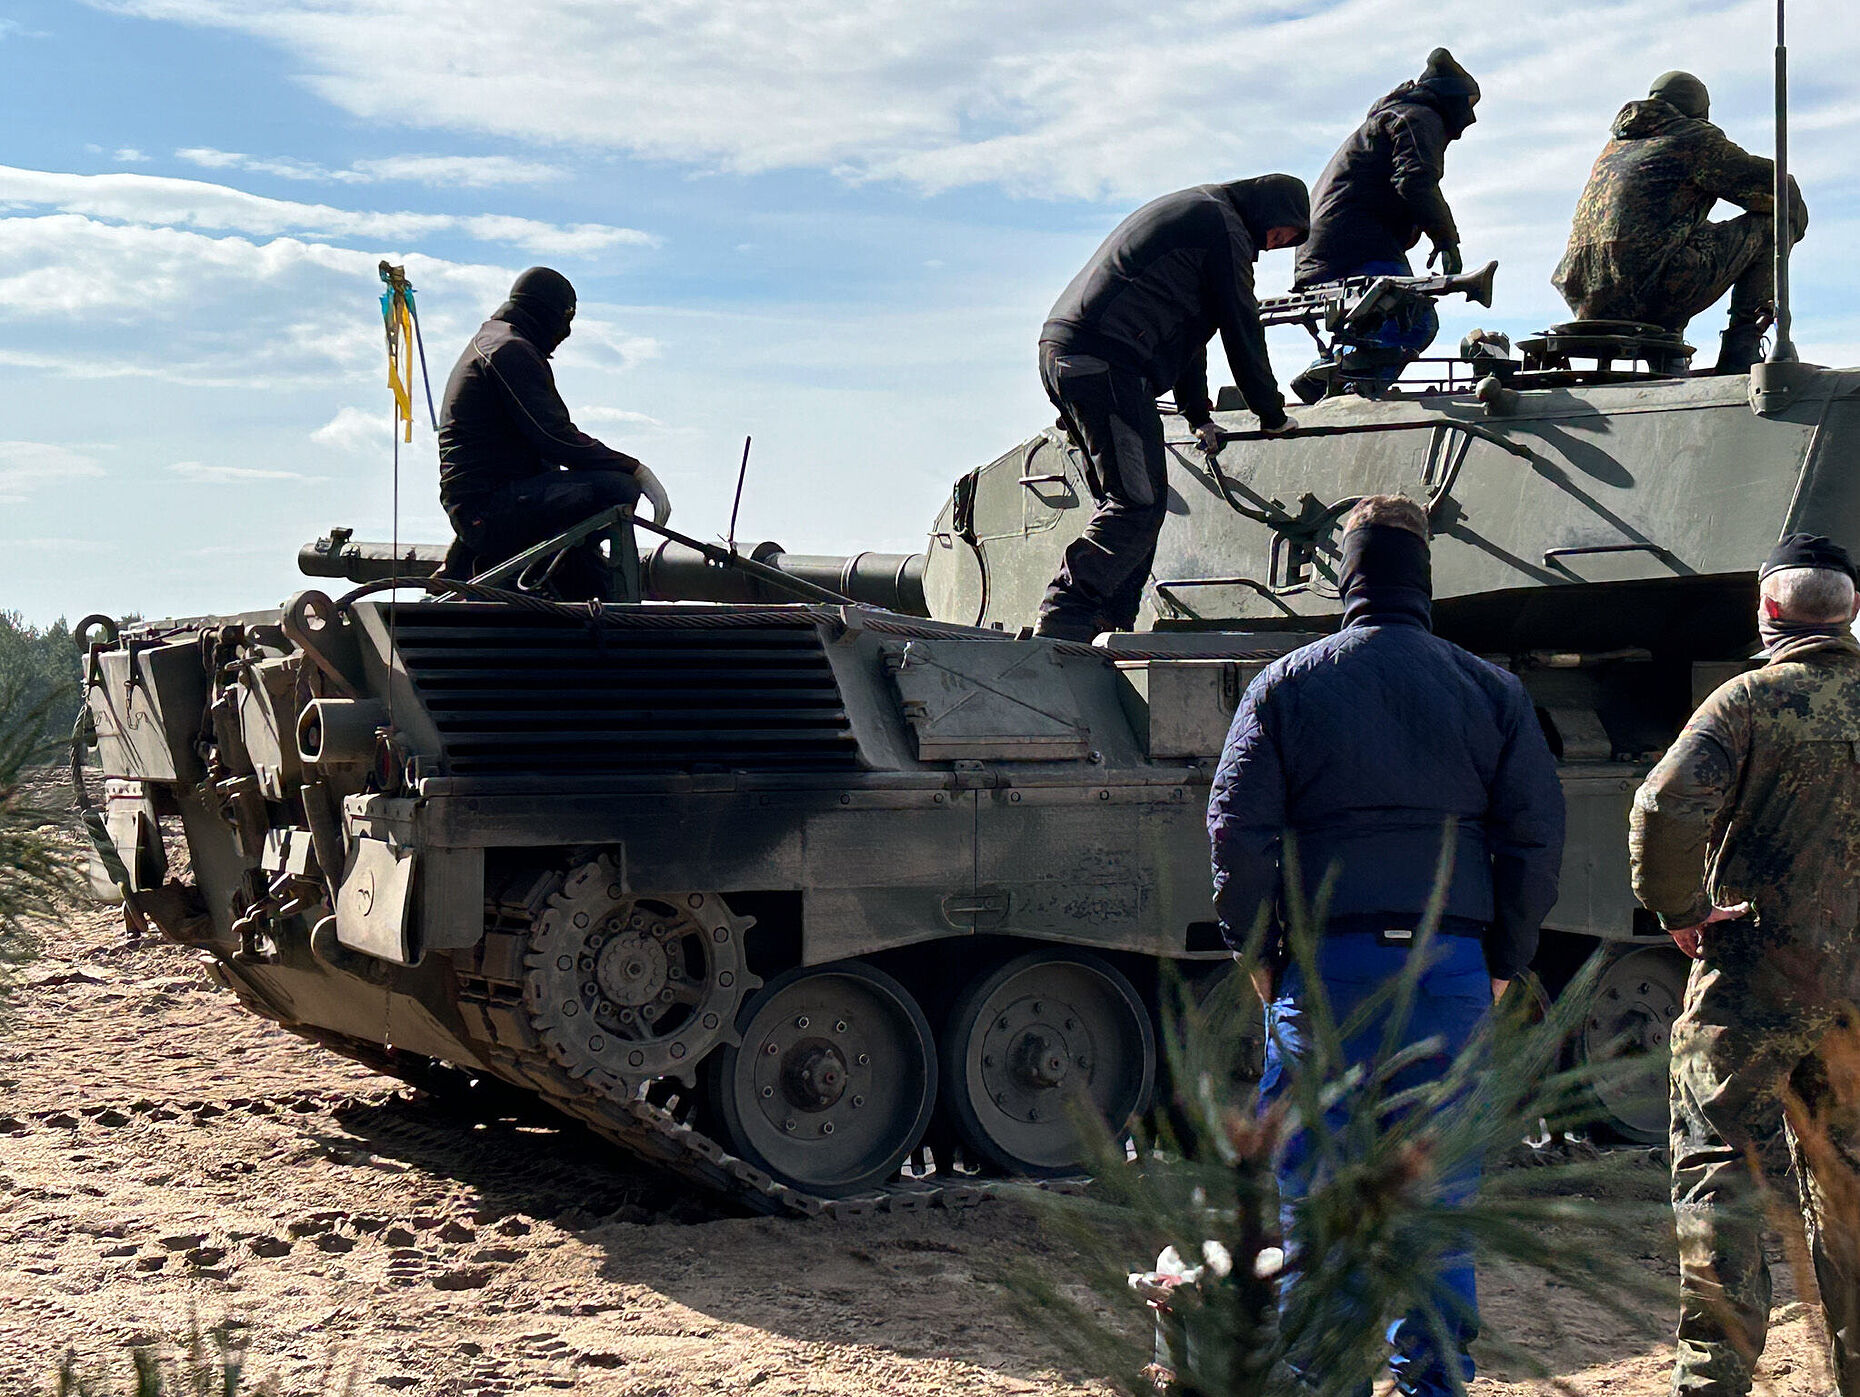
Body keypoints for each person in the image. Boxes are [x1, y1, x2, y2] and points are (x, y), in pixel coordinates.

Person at [1208, 494, 1565, 1396]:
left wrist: (1256, 951)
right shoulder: (1492, 690)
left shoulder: (1286, 683)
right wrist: (1503, 964)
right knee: (1435, 1197)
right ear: (1426, 576)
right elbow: (1535, 838)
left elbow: (1235, 833)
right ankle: (1433, 1383)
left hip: (1326, 971)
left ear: (1346, 572)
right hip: (1449, 968)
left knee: (1317, 1193)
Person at [1628, 532, 1860, 1397]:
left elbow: (1664, 803)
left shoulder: (1746, 701)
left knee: (1719, 1166)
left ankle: (1714, 1380)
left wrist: (1682, 911)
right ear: (1853, 612)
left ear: (1767, 610)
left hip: (1751, 984)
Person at [1033, 174, 1310, 641]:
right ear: (1269, 209)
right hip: (1107, 361)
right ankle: (1064, 615)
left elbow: (1188, 330)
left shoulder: (1202, 214)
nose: (1274, 244)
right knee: (1135, 505)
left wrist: (1197, 414)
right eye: (1280, 233)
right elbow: (1240, 323)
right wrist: (1271, 414)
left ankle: (1110, 618)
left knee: (1141, 501)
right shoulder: (1223, 226)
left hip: (1073, 355)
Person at [437, 266, 672, 599]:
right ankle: (537, 570)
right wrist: (635, 469)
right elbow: (555, 437)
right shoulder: (510, 350)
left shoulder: (495, 340)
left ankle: (561, 568)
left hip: (479, 505)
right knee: (615, 488)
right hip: (487, 512)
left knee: (578, 501)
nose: (567, 332)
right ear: (548, 313)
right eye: (567, 319)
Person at [1553, 71, 1808, 376]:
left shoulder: (1614, 148)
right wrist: (1797, 223)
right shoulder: (1692, 137)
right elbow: (1776, 190)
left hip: (1586, 299)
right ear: (1700, 111)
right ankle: (1743, 347)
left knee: (1671, 239)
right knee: (1772, 223)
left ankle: (1671, 358)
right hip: (1649, 290)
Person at [1291, 49, 1481, 398]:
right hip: (1357, 244)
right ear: (1449, 99)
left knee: (1376, 323)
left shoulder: (1391, 117)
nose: (1470, 116)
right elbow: (1415, 181)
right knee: (1414, 318)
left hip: (1326, 247)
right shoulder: (1419, 117)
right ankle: (1353, 389)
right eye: (1466, 104)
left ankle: (1336, 378)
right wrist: (1445, 239)